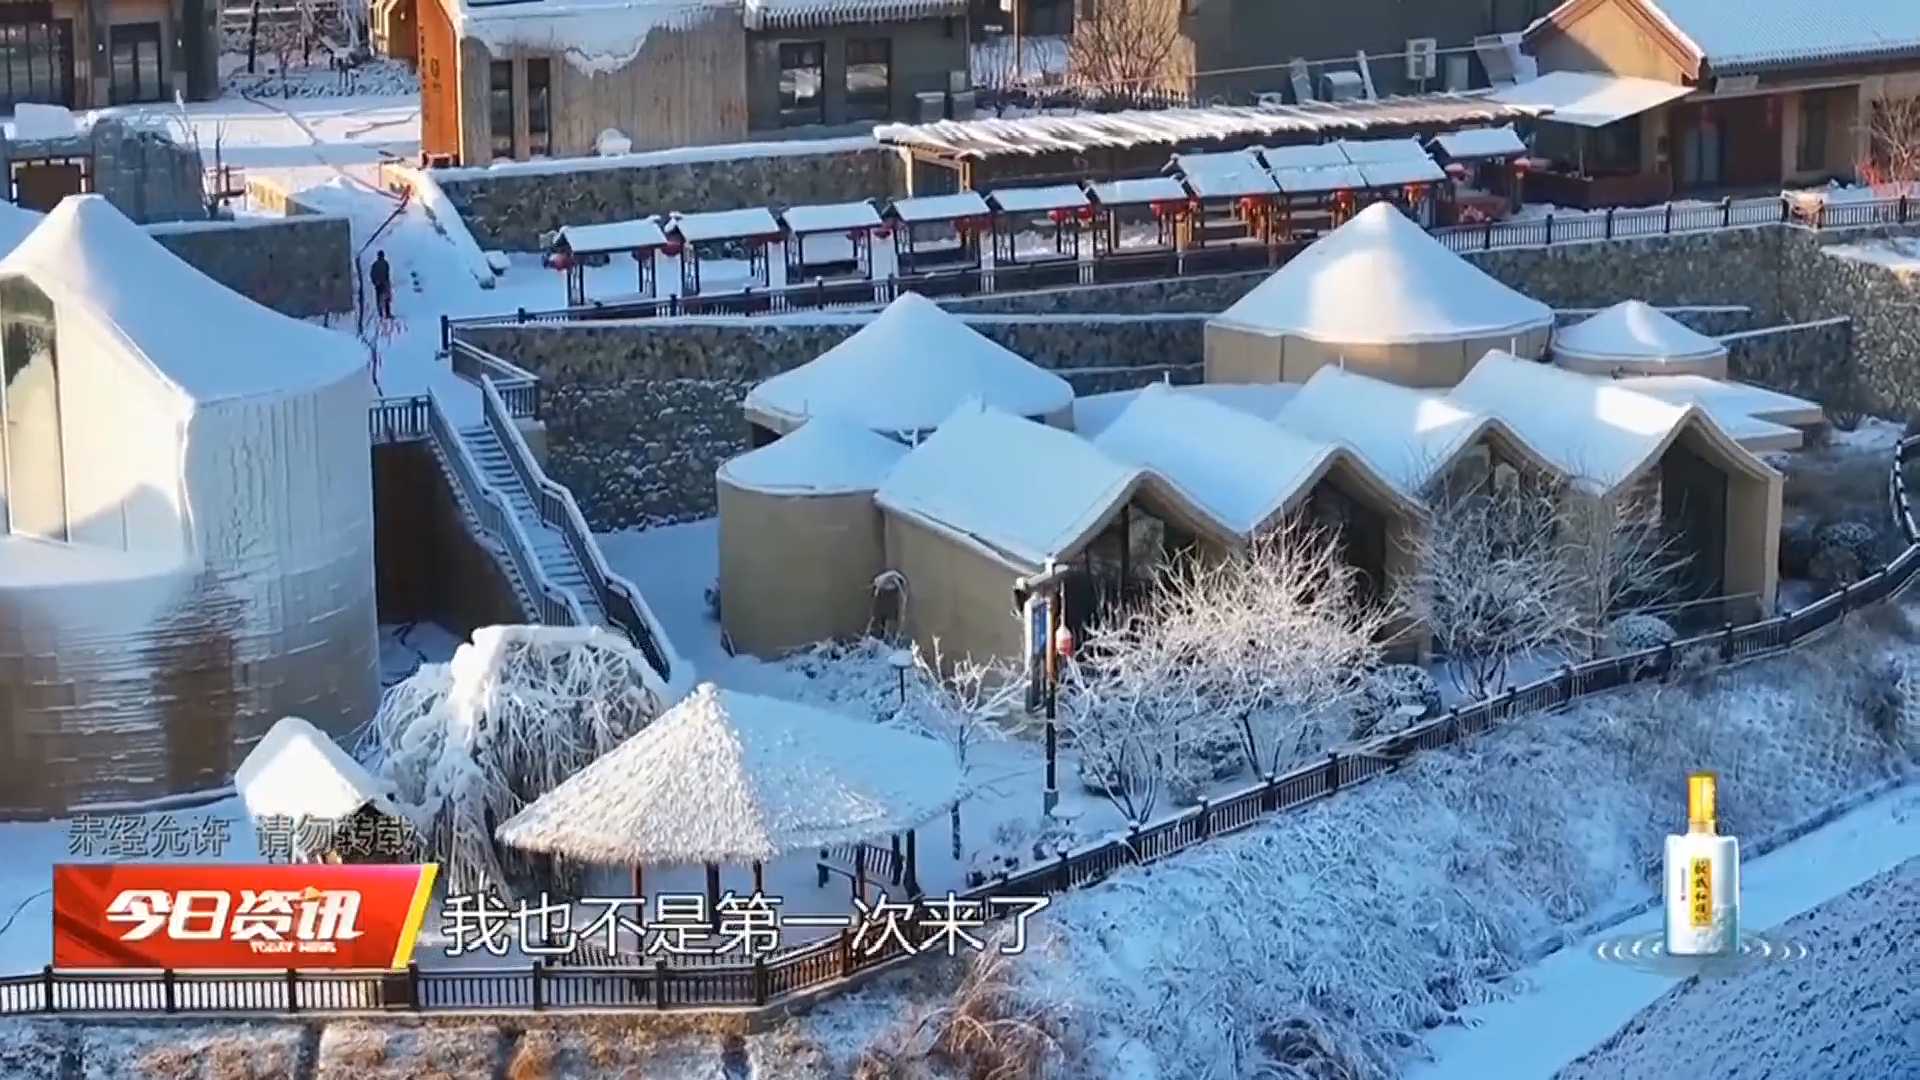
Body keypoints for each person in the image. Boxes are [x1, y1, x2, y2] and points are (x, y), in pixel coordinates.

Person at [369, 250, 393, 319]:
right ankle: (386, 313)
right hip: (383, 283)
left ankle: (381, 313)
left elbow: (372, 274)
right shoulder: (385, 263)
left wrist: (375, 282)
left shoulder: (375, 264)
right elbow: (387, 273)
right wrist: (387, 282)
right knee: (386, 299)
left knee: (380, 298)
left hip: (379, 283)